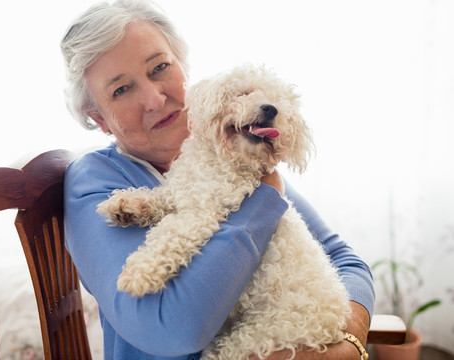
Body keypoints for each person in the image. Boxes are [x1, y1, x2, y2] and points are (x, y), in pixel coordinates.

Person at [61, 1, 374, 359]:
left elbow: (343, 259)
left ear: (183, 67)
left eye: (160, 67)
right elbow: (171, 329)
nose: (154, 98)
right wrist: (264, 201)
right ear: (99, 118)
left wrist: (347, 343)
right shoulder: (96, 182)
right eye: (121, 90)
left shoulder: (230, 151)